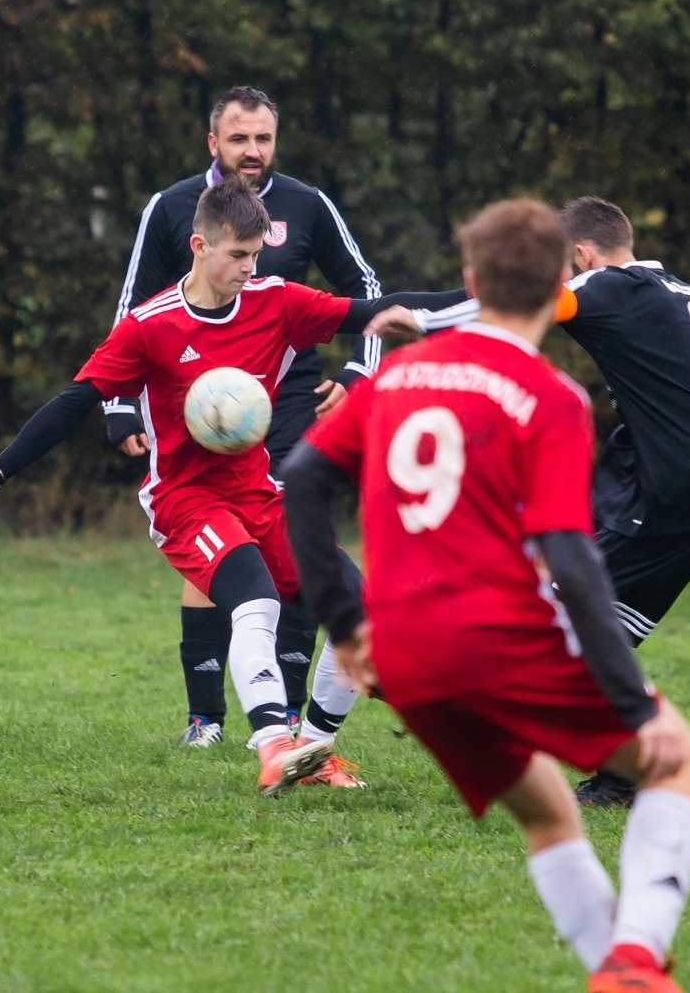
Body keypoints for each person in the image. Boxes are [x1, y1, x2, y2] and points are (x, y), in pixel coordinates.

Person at [283, 198, 690, 993]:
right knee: (681, 762)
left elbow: (304, 479)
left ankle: (618, 972)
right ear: (560, 289)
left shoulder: (401, 374)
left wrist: (345, 625)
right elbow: (572, 558)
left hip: (408, 660)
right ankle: (638, 955)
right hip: (498, 640)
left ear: (472, 281)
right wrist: (630, 700)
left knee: (548, 813)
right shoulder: (551, 397)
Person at [0, 177, 463, 794]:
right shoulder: (149, 326)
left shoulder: (275, 302)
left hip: (259, 493)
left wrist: (494, 298)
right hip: (184, 501)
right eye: (238, 255)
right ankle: (274, 747)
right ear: (200, 246)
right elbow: (74, 403)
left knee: (356, 606)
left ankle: (313, 752)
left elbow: (382, 310)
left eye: (256, 254)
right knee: (256, 600)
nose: (250, 268)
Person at [369, 195, 690, 807]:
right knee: (599, 625)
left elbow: (518, 304)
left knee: (560, 617)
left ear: (579, 256)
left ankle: (462, 691)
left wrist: (419, 321)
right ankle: (610, 765)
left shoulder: (605, 288)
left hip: (660, 495)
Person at [108, 85, 461, 747]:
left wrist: (358, 371)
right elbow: (134, 307)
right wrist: (120, 401)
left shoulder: (306, 203)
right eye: (238, 138)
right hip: (200, 412)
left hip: (290, 408)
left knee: (294, 555)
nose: (252, 150)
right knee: (218, 557)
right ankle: (206, 718)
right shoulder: (172, 206)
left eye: (263, 138)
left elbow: (366, 291)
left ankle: (290, 719)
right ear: (212, 141)